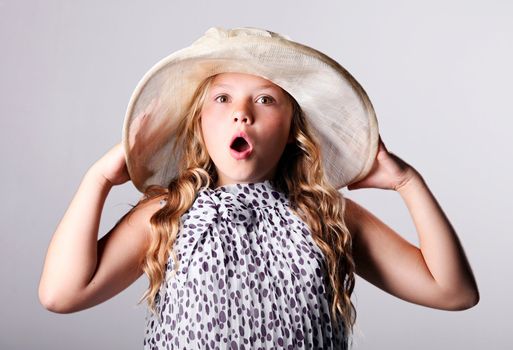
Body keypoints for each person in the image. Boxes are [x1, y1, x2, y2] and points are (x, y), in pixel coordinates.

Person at [38, 27, 479, 349]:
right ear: (200, 123)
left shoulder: (325, 214)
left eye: (265, 100)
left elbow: (453, 291)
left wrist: (407, 182)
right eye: (222, 98)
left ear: (291, 129)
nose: (241, 114)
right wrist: (96, 180)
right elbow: (60, 294)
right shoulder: (169, 212)